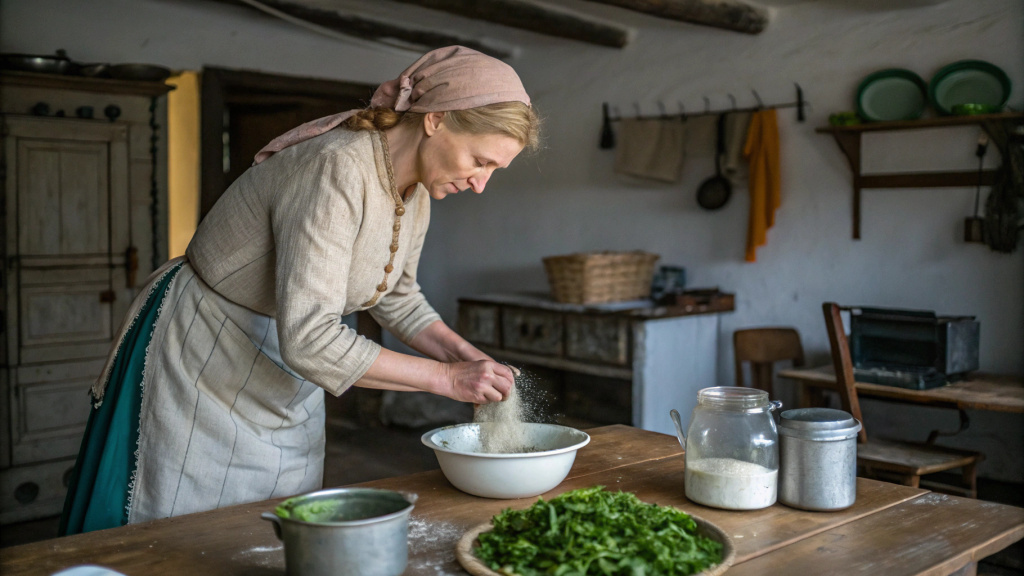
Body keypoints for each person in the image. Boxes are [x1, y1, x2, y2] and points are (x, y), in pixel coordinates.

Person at [60, 46, 540, 535]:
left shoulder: (416, 191)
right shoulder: (336, 167)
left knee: (273, 522)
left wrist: (470, 360)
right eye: (480, 161)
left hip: (289, 362)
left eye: (494, 171)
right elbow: (310, 339)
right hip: (206, 348)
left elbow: (397, 297)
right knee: (190, 527)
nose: (480, 183)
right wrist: (448, 379)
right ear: (436, 119)